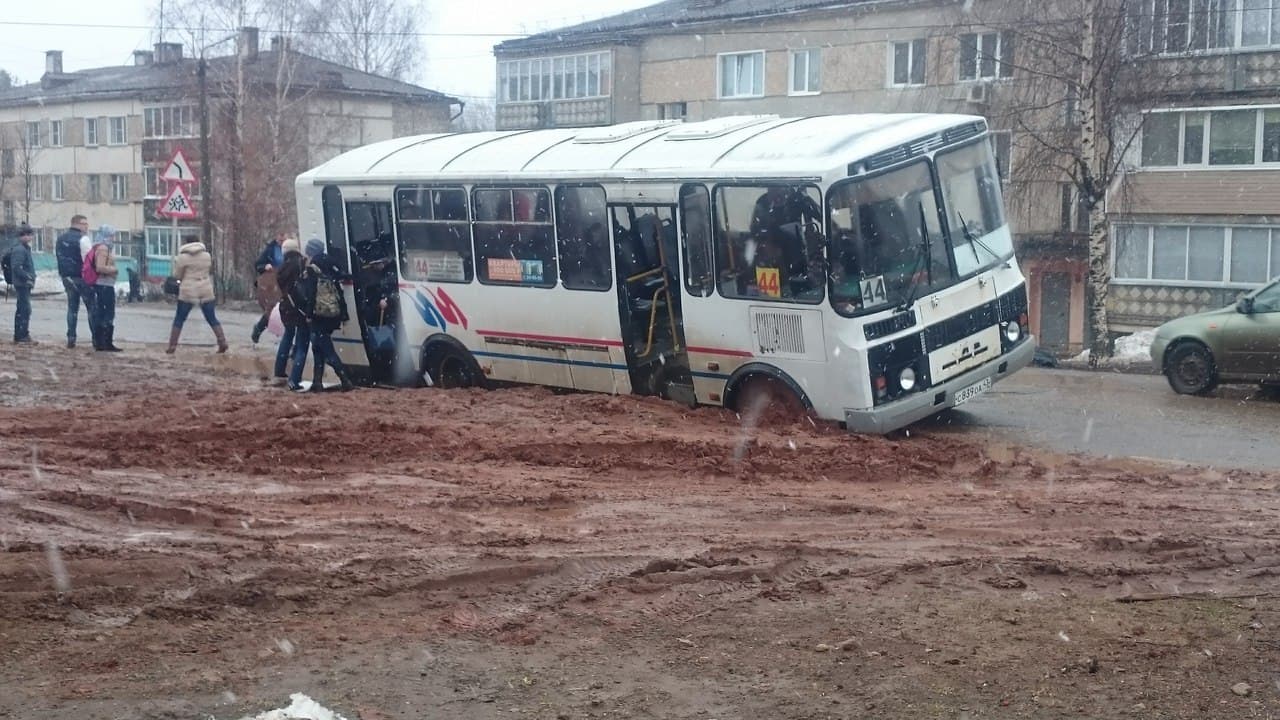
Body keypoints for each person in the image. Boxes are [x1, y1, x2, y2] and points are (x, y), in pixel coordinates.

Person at [295, 238, 354, 392]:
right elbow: (341, 281)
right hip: (333, 312)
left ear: (311, 251)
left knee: (327, 349)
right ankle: (317, 382)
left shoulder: (312, 268)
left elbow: (311, 293)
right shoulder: (332, 263)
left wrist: (308, 314)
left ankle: (345, 379)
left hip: (319, 314)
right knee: (318, 347)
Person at [166, 238, 228, 354]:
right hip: (205, 288)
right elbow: (209, 269)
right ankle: (222, 341)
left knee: (179, 318)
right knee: (211, 317)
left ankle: (172, 346)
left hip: (188, 290)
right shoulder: (207, 256)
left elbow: (177, 275)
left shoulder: (182, 257)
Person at [274, 237, 310, 388]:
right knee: (302, 343)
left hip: (286, 307)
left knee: (287, 337)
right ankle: (294, 380)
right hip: (299, 308)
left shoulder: (282, 268)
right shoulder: (301, 265)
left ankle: (279, 371)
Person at [54, 214, 94, 348]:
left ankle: (71, 337)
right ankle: (96, 337)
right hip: (82, 277)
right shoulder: (83, 239)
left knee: (72, 308)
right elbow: (88, 261)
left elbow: (59, 258)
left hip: (67, 277)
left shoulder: (60, 239)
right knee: (91, 307)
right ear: (77, 224)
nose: (86, 226)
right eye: (84, 223)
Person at [87, 226, 122, 352]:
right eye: (112, 235)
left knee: (103, 313)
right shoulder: (103, 248)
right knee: (107, 313)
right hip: (104, 285)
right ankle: (104, 342)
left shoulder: (103, 247)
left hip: (104, 285)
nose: (113, 237)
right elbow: (100, 267)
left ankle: (102, 342)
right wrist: (114, 269)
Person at [251, 232, 285, 344]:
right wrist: (265, 266)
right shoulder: (271, 249)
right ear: (276, 237)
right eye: (281, 236)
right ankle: (259, 329)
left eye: (284, 236)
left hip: (287, 282)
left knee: (285, 310)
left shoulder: (291, 248)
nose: (282, 238)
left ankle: (286, 340)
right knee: (273, 310)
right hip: (274, 284)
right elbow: (258, 264)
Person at [7, 225, 37, 345]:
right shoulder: (20, 249)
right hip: (22, 284)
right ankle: (21, 335)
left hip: (24, 283)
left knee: (23, 309)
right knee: (24, 309)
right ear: (23, 235)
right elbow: (17, 267)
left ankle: (22, 334)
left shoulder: (24, 248)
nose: (31, 237)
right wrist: (28, 277)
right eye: (29, 235)